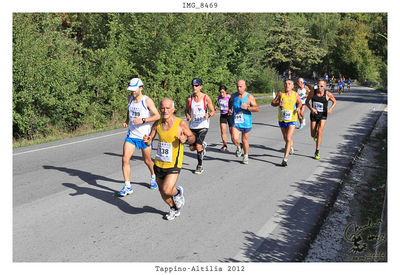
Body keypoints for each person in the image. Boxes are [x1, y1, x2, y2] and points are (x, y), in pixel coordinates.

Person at [143, 98, 195, 220]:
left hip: (173, 163)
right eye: (162, 108)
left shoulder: (180, 123)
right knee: (162, 191)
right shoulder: (157, 123)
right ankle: (173, 208)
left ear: (173, 109)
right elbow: (149, 139)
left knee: (167, 189)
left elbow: (192, 137)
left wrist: (186, 139)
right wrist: (147, 140)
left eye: (168, 108)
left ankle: (177, 192)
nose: (165, 110)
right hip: (159, 162)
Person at [119, 78, 161, 197]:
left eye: (134, 89)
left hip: (144, 137)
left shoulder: (147, 101)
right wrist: (127, 120)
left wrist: (143, 120)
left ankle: (153, 176)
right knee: (125, 159)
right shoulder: (130, 98)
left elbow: (157, 116)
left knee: (147, 161)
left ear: (140, 88)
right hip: (131, 135)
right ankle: (127, 186)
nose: (132, 92)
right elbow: (129, 110)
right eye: (131, 89)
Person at [185, 78, 215, 175]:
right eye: (193, 85)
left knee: (197, 146)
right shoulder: (189, 98)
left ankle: (200, 166)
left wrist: (209, 115)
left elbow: (213, 111)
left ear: (201, 87)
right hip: (193, 126)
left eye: (196, 85)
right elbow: (186, 110)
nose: (194, 87)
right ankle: (203, 146)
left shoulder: (206, 98)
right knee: (191, 148)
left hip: (203, 125)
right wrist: (188, 115)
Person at [271, 79, 302, 166]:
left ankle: (285, 159)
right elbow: (272, 103)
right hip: (282, 119)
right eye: (285, 84)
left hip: (292, 119)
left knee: (288, 138)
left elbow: (299, 103)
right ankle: (290, 146)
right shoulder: (281, 94)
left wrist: (298, 108)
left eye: (289, 84)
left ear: (292, 86)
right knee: (285, 138)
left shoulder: (295, 94)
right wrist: (278, 104)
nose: (287, 85)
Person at [229, 80, 259, 164]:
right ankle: (239, 146)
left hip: (246, 122)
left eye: (240, 86)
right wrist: (230, 109)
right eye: (237, 86)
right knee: (234, 138)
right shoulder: (233, 95)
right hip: (236, 121)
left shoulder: (249, 97)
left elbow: (257, 108)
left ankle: (245, 155)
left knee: (244, 139)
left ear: (245, 86)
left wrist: (247, 108)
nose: (239, 88)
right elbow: (230, 102)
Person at [305, 79, 337, 160]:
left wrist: (330, 109)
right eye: (318, 85)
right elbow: (306, 102)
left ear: (325, 86)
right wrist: (311, 109)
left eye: (321, 86)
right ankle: (315, 136)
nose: (319, 87)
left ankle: (317, 151)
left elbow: (335, 102)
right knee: (312, 134)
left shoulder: (328, 94)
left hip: (323, 115)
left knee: (319, 132)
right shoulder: (312, 92)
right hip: (314, 114)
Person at [216, 85, 233, 151]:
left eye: (223, 92)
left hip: (229, 115)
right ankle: (224, 145)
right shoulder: (219, 97)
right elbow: (218, 103)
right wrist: (216, 106)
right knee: (223, 130)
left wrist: (231, 110)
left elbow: (232, 104)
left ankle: (237, 144)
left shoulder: (229, 97)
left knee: (232, 132)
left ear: (226, 91)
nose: (221, 94)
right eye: (220, 92)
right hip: (223, 115)